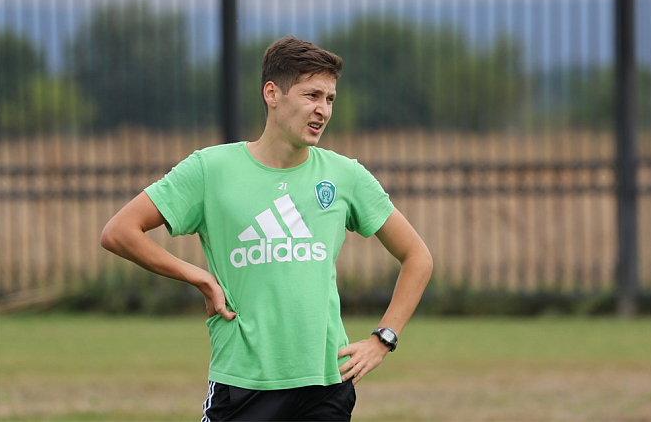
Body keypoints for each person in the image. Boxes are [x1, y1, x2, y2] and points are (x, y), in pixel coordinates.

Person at [100, 36, 433, 421]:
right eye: (311, 95)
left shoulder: (346, 176)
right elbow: (120, 231)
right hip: (244, 384)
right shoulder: (210, 170)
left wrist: (383, 339)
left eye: (330, 99)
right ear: (272, 94)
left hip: (326, 384)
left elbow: (417, 257)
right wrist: (199, 277)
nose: (323, 110)